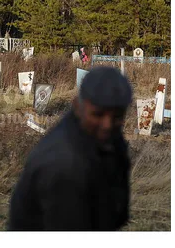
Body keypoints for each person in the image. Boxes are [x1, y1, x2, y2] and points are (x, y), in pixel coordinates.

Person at [8, 66, 133, 231]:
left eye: (117, 117)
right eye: (97, 115)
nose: (107, 125)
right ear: (77, 106)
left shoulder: (105, 138)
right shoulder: (64, 163)